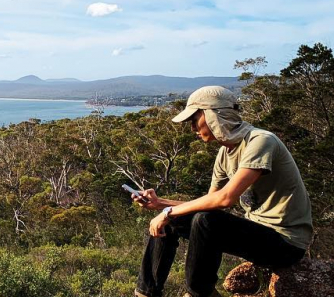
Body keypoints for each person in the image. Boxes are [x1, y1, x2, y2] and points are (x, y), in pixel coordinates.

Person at [133, 86, 313, 297]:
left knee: (202, 219)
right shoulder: (224, 154)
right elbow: (210, 202)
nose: (192, 128)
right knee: (175, 221)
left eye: (194, 119)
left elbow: (224, 200)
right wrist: (160, 204)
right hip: (257, 235)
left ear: (213, 115)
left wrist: (167, 211)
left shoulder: (261, 141)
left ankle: (200, 293)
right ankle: (147, 292)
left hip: (286, 243)